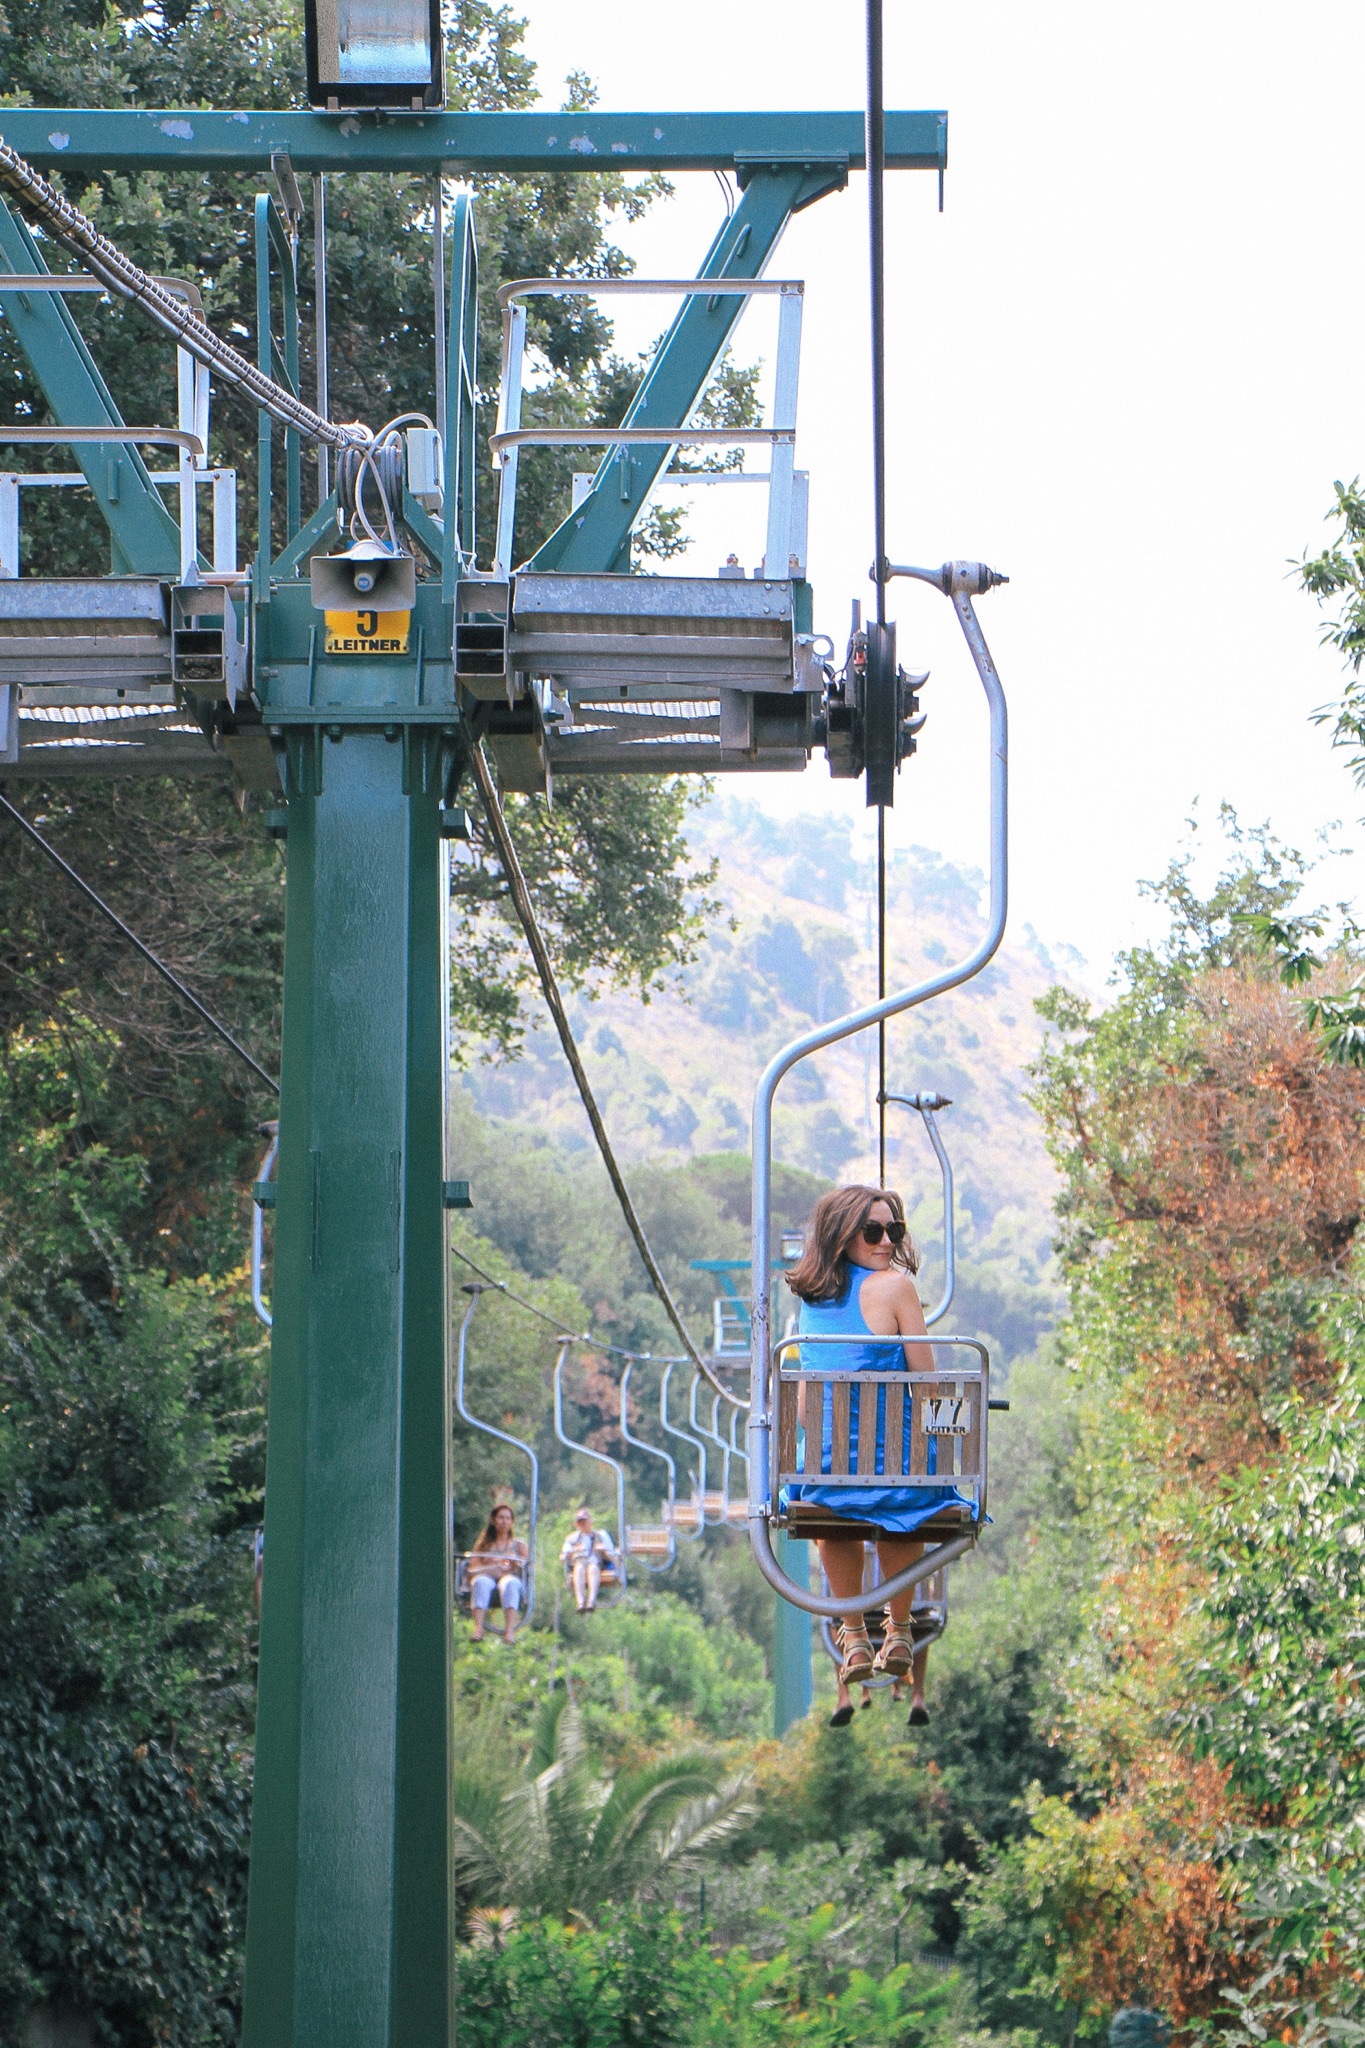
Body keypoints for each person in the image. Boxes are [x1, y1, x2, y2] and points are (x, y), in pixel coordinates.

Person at [787, 1184, 975, 1727]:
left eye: (894, 1230)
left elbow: (805, 1408)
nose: (887, 1241)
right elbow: (927, 1382)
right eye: (873, 1231)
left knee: (834, 1513)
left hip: (825, 1474)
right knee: (908, 1500)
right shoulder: (896, 1287)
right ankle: (898, 1628)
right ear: (843, 1233)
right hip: (897, 1469)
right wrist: (950, 1434)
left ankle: (852, 1633)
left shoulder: (811, 1299)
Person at [468, 1502, 529, 1644]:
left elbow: (526, 1568)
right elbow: (471, 1569)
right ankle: (478, 1628)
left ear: (512, 1522)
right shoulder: (484, 1545)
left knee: (509, 1583)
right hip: (488, 1577)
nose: (504, 1522)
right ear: (493, 1520)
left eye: (508, 1518)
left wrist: (514, 1564)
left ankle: (509, 1630)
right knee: (480, 1582)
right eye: (501, 1518)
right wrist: (490, 1567)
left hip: (509, 1577)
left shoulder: (519, 1545)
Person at [560, 1505, 616, 1612]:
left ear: (591, 1521)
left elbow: (612, 1556)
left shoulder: (601, 1536)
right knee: (579, 1568)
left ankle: (591, 1601)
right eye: (580, 1522)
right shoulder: (572, 1539)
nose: (583, 1525)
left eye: (585, 1521)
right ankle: (580, 1602)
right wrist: (573, 1551)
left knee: (592, 1568)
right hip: (579, 1562)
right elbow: (563, 1557)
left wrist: (603, 1550)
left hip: (595, 1562)